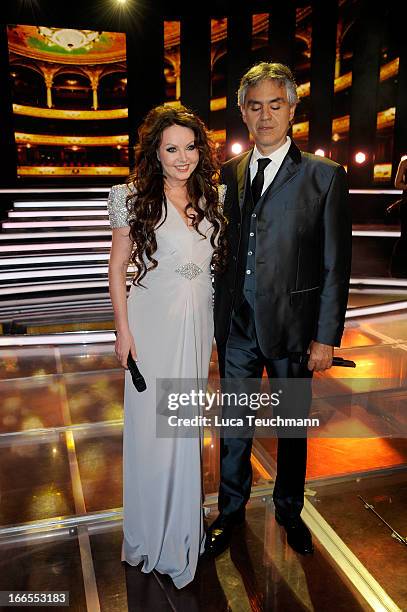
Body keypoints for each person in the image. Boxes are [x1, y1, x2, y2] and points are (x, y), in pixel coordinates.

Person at [206, 62, 352, 557]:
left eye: (275, 104)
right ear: (243, 114)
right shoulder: (227, 174)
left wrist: (326, 336)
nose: (265, 115)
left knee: (292, 428)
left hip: (296, 329)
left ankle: (290, 509)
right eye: (255, 106)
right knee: (234, 426)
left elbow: (335, 264)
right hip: (238, 327)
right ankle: (229, 512)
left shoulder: (324, 177)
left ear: (291, 110)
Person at [107, 105, 226, 588]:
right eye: (171, 148)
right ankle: (150, 532)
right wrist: (123, 331)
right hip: (150, 323)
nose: (182, 158)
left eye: (190, 147)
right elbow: (116, 269)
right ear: (155, 153)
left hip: (197, 323)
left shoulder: (213, 196)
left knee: (183, 427)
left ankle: (181, 529)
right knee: (152, 433)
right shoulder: (131, 198)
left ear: (201, 148)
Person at [386, 155, 407, 277]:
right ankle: (396, 269)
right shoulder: (404, 162)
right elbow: (397, 183)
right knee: (405, 237)